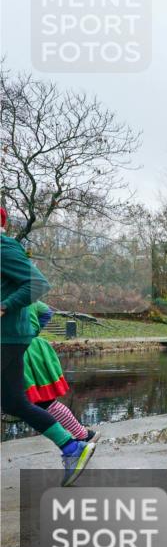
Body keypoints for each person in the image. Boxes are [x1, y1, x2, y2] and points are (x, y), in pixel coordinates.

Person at [1, 207, 95, 486]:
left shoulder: (3, 246)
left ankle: (74, 445)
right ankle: (72, 447)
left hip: (6, 337)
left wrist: (6, 305)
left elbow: (37, 283)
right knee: (15, 402)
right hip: (9, 338)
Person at [23, 301, 98, 443]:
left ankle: (80, 437)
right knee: (41, 403)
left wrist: (31, 332)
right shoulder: (24, 293)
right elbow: (46, 311)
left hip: (22, 352)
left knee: (43, 403)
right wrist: (34, 331)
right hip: (30, 348)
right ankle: (81, 435)